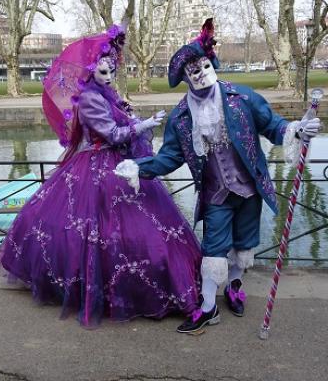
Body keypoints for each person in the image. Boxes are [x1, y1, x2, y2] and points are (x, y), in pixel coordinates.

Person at [116, 18, 321, 333]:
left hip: (250, 189)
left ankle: (235, 286)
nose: (199, 72)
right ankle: (208, 306)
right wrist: (138, 167)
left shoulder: (242, 97)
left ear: (211, 63)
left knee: (244, 243)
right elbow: (169, 157)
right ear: (185, 77)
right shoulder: (182, 118)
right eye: (192, 69)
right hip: (215, 194)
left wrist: (297, 129)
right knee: (214, 248)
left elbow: (273, 125)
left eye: (203, 65)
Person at [0, 25, 202, 328]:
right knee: (94, 229)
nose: (108, 77)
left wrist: (127, 112)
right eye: (102, 72)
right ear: (92, 71)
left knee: (143, 225)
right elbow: (112, 135)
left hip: (119, 163)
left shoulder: (106, 93)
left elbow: (118, 121)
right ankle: (99, 290)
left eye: (111, 72)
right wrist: (141, 125)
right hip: (98, 164)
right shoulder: (90, 98)